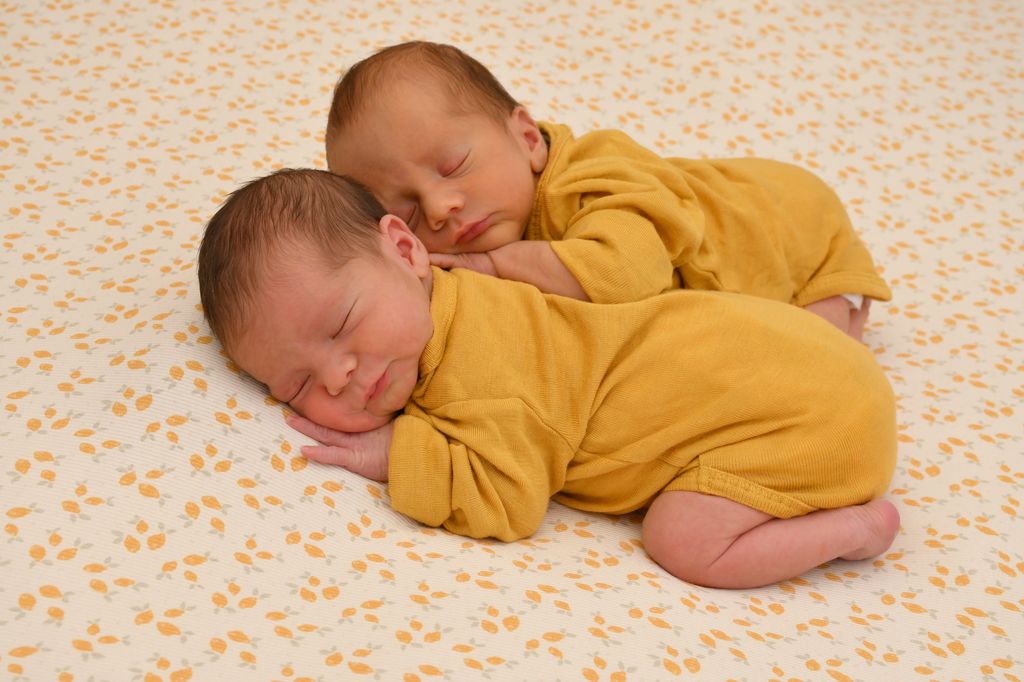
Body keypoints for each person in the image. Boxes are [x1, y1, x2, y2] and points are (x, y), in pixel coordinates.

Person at [197, 168, 900, 589]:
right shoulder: (461, 302)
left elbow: (509, 497)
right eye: (298, 386)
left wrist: (396, 454)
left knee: (683, 541)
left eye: (342, 323)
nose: (339, 375)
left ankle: (857, 527)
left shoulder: (482, 363)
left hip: (812, 418)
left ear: (406, 251)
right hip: (794, 357)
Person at [324, 41, 892, 342]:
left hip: (791, 229)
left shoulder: (591, 175)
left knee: (814, 359)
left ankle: (843, 312)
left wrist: (496, 264)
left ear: (527, 139)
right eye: (405, 210)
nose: (439, 208)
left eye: (453, 165)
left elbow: (627, 275)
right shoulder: (483, 233)